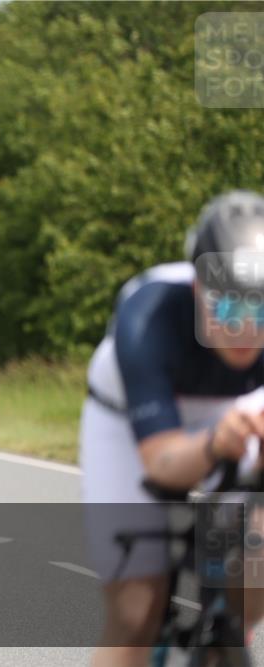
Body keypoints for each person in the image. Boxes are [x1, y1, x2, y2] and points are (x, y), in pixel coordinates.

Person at [81, 190, 264, 665]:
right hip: (130, 427)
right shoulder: (148, 318)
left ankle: (225, 636)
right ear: (198, 289)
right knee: (135, 612)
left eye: (261, 308)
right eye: (228, 309)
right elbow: (161, 461)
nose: (246, 327)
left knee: (250, 576)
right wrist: (212, 444)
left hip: (239, 408)